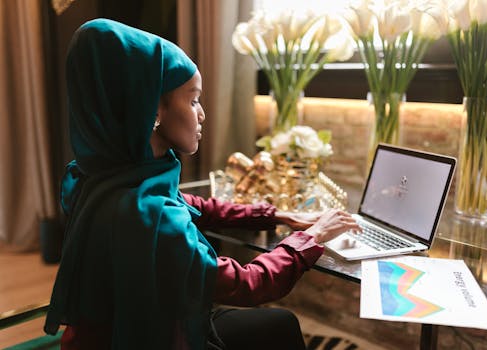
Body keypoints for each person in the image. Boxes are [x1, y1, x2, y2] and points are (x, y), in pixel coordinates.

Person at [44, 18, 360, 350]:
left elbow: (194, 205)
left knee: (277, 325)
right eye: (193, 100)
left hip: (114, 330)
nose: (202, 114)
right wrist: (312, 237)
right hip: (152, 338)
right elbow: (248, 284)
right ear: (152, 109)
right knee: (280, 324)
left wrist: (276, 215)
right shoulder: (152, 215)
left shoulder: (102, 177)